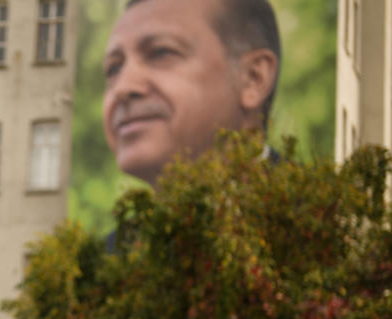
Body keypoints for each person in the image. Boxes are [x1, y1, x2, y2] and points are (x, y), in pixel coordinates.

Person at [102, 0, 282, 188]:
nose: (123, 87)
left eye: (160, 52)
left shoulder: (310, 212)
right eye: (114, 68)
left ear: (254, 78)